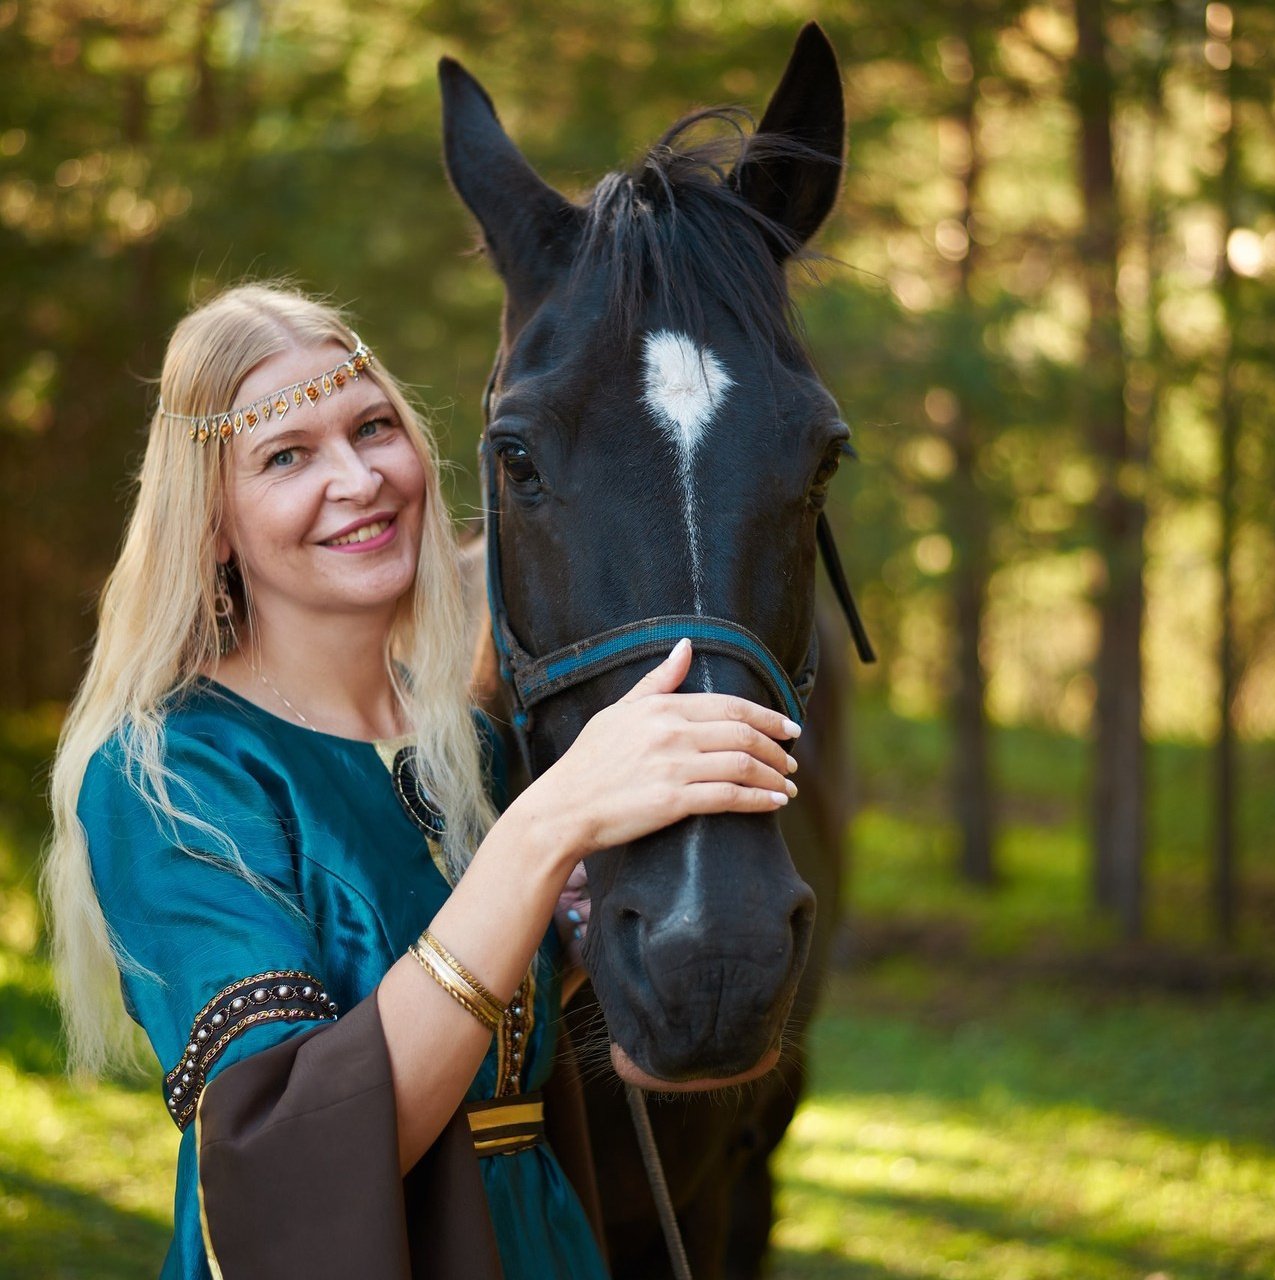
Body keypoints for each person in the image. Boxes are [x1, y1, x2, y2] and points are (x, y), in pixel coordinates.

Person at [43, 283, 801, 1280]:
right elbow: (288, 1163)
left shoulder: (468, 746)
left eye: (372, 427)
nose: (358, 478)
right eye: (287, 455)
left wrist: (563, 935)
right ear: (213, 523)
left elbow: (479, 1035)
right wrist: (541, 830)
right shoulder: (170, 772)